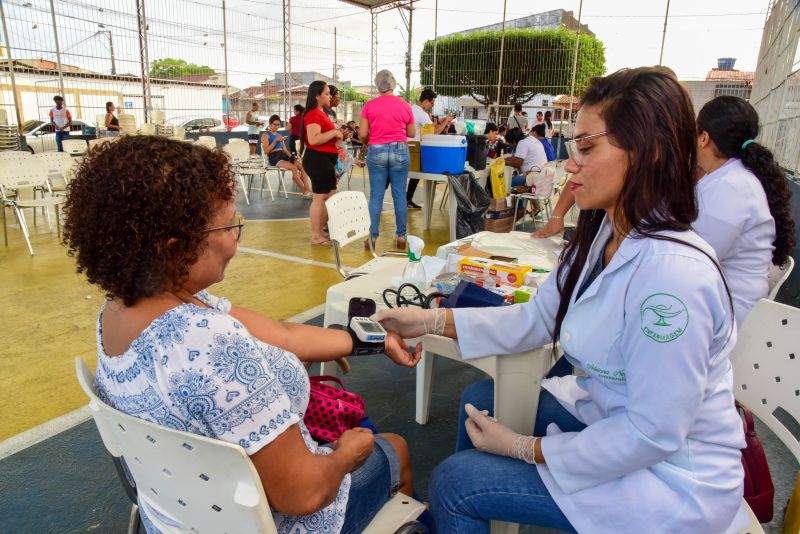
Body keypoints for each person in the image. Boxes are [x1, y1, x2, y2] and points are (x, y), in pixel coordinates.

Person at [373, 67, 749, 533]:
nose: (571, 163)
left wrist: (523, 449)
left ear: (647, 152)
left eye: (588, 148)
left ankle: (463, 507)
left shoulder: (674, 279)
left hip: (673, 481)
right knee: (479, 397)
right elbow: (535, 319)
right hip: (616, 421)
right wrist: (427, 321)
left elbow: (653, 433)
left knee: (455, 482)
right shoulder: (608, 231)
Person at [62, 135, 422, 534]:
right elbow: (303, 495)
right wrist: (344, 456)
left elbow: (282, 335)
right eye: (231, 227)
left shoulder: (118, 309)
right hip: (270, 521)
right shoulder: (211, 342)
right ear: (176, 247)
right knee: (396, 448)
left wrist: (371, 340)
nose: (235, 242)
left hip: (177, 517)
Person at [534, 95, 796, 326]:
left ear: (703, 138)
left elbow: (681, 260)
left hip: (721, 317)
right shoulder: (728, 179)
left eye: (588, 148)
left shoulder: (731, 187)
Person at [359, 70, 415, 251]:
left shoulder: (369, 106)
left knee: (376, 195)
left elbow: (362, 134)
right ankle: (401, 236)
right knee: (399, 195)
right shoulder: (405, 105)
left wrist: (370, 138)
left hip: (376, 150)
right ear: (394, 83)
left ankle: (372, 237)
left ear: (378, 85)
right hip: (400, 150)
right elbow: (412, 133)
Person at [301, 81, 344, 245]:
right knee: (320, 199)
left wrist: (337, 136)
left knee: (330, 196)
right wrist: (334, 132)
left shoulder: (321, 113)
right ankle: (316, 235)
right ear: (317, 96)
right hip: (317, 160)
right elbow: (313, 139)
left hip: (324, 160)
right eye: (326, 93)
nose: (330, 96)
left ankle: (323, 231)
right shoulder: (314, 114)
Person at [406, 87, 454, 210]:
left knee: (412, 175)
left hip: (407, 146)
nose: (432, 106)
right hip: (416, 149)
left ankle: (406, 199)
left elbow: (429, 128)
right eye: (432, 103)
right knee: (418, 174)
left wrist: (440, 122)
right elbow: (435, 132)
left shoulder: (411, 109)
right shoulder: (422, 114)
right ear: (426, 101)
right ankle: (407, 200)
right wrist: (446, 121)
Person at [263, 114, 312, 196]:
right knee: (293, 167)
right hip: (274, 157)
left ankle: (308, 189)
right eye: (275, 124)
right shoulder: (266, 135)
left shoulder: (279, 135)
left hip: (283, 154)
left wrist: (291, 156)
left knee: (302, 167)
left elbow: (285, 150)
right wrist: (275, 141)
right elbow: (266, 151)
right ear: (270, 124)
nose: (277, 126)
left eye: (278, 124)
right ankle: (305, 191)